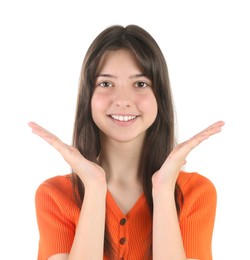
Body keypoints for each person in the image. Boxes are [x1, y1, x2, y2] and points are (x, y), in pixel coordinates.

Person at [28, 24, 224, 260]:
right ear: (88, 97)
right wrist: (94, 187)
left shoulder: (195, 193)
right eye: (106, 84)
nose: (122, 100)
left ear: (159, 97)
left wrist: (163, 190)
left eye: (140, 84)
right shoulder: (55, 196)